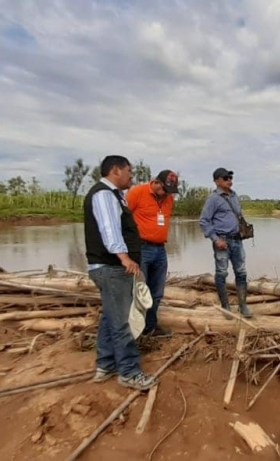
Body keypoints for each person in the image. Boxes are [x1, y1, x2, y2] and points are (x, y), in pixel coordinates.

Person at [83, 155, 158, 391]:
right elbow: (109, 230)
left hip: (110, 268)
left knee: (109, 317)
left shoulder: (115, 195)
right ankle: (129, 372)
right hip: (113, 268)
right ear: (115, 171)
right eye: (129, 171)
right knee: (122, 321)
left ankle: (105, 364)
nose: (131, 176)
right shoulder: (104, 194)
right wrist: (124, 257)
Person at [126, 169, 180, 338]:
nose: (166, 195)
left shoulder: (169, 198)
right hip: (141, 249)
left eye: (170, 192)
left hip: (160, 250)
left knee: (156, 292)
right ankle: (133, 330)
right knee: (139, 290)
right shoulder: (137, 192)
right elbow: (122, 218)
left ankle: (150, 327)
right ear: (156, 182)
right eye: (165, 190)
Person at [198, 167, 252, 319]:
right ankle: (225, 306)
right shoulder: (213, 199)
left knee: (241, 272)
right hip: (222, 240)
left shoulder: (234, 196)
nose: (229, 180)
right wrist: (216, 240)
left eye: (230, 178)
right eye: (225, 178)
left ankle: (243, 306)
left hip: (237, 240)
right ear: (217, 181)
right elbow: (204, 221)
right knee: (222, 272)